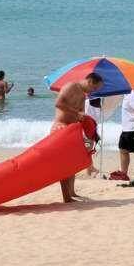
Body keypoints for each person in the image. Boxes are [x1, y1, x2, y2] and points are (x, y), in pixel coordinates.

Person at [51, 74, 102, 203]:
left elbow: (80, 115)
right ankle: (66, 197)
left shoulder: (83, 95)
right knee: (64, 165)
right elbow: (58, 103)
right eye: (95, 88)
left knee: (73, 163)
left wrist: (87, 129)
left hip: (72, 130)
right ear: (90, 81)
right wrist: (77, 113)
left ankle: (72, 192)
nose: (94, 92)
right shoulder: (71, 87)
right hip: (60, 128)